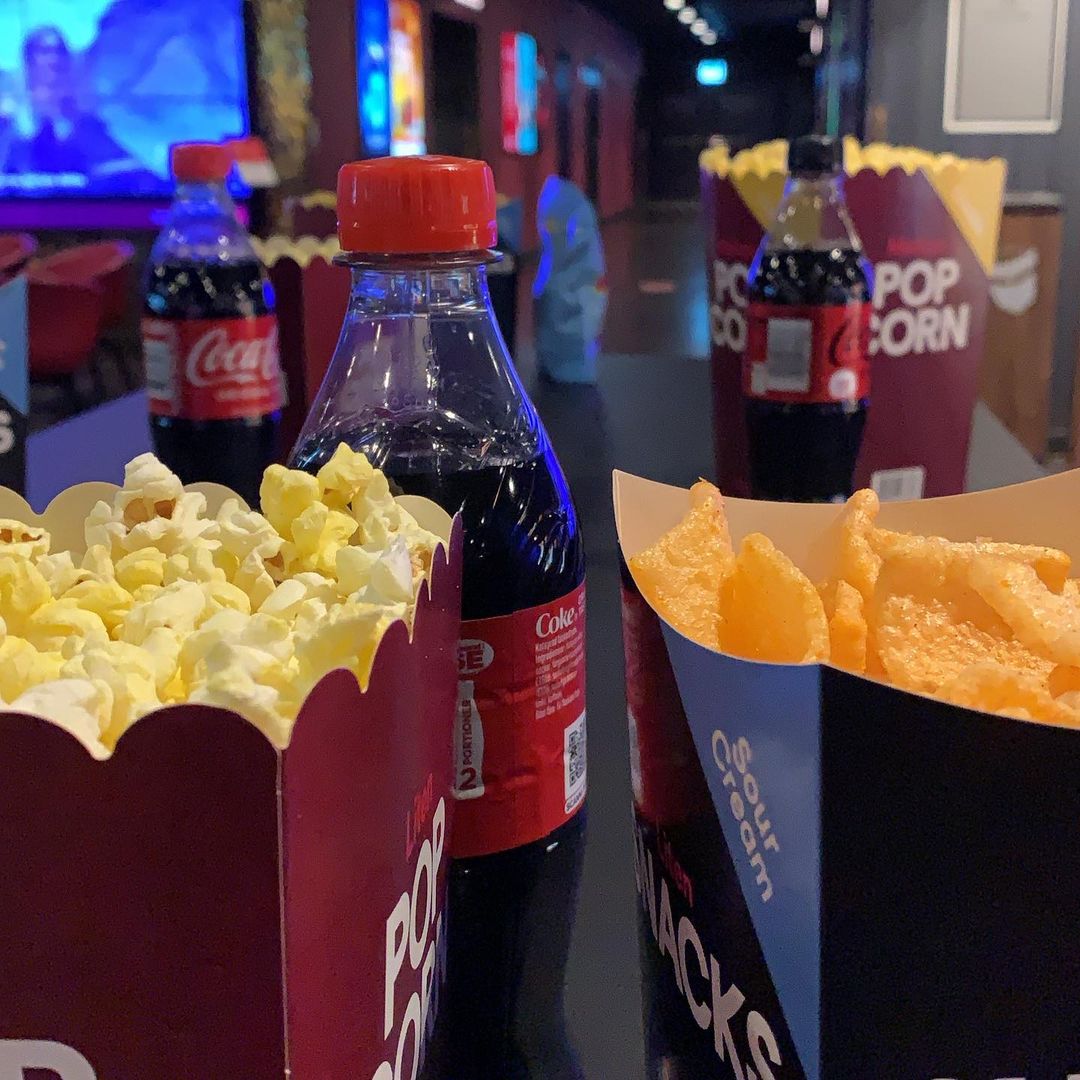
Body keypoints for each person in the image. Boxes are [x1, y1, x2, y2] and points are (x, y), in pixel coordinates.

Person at [7, 27, 149, 190]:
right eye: (45, 52)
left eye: (59, 52)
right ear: (30, 61)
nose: (54, 60)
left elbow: (119, 162)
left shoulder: (87, 123)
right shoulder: (11, 120)